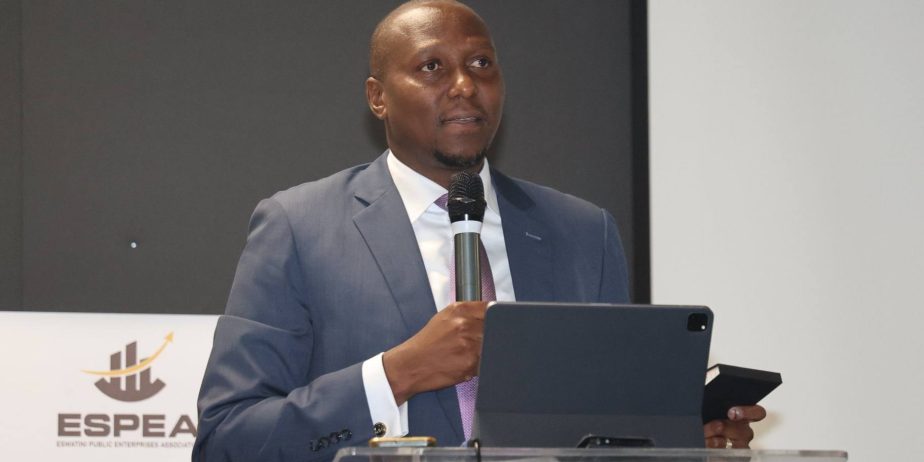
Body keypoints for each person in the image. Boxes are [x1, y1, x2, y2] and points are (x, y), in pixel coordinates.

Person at [193, 1, 765, 461]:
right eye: (432, 67)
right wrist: (395, 375)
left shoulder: (583, 233)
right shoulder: (299, 227)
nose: (465, 85)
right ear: (377, 97)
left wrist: (680, 438)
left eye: (482, 64)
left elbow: (609, 431)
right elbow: (227, 439)